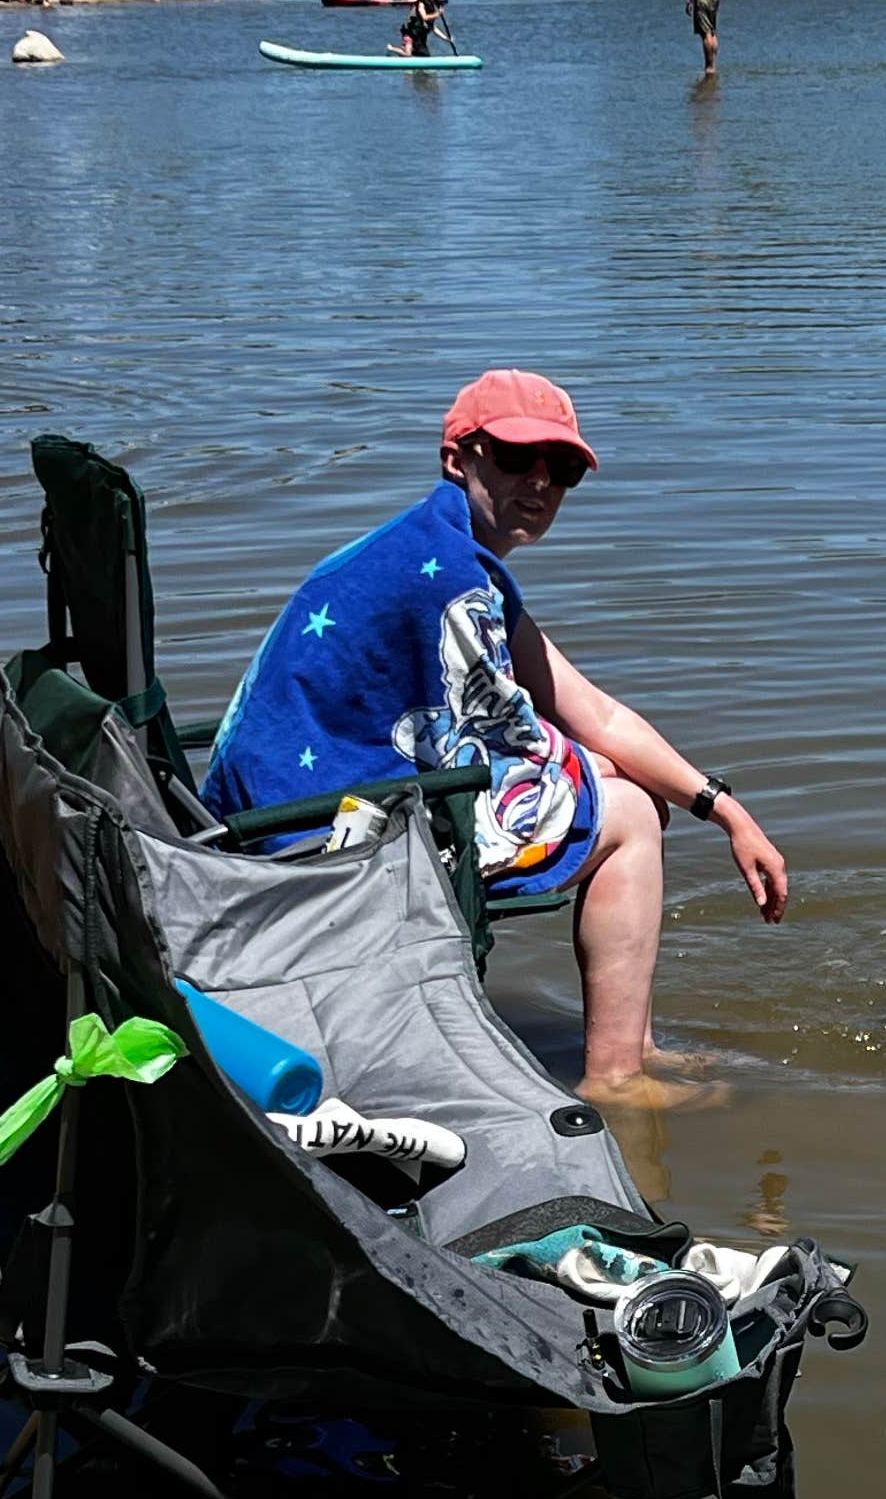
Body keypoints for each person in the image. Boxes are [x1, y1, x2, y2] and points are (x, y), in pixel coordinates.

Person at [202, 369, 786, 1096]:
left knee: (610, 776)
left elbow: (590, 711)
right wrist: (607, 778)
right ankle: (616, 1075)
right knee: (631, 814)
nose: (540, 483)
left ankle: (633, 1042)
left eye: (562, 468)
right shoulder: (450, 577)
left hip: (277, 800)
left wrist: (725, 809)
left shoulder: (431, 544)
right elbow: (509, 735)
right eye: (516, 459)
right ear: (459, 457)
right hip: (315, 835)